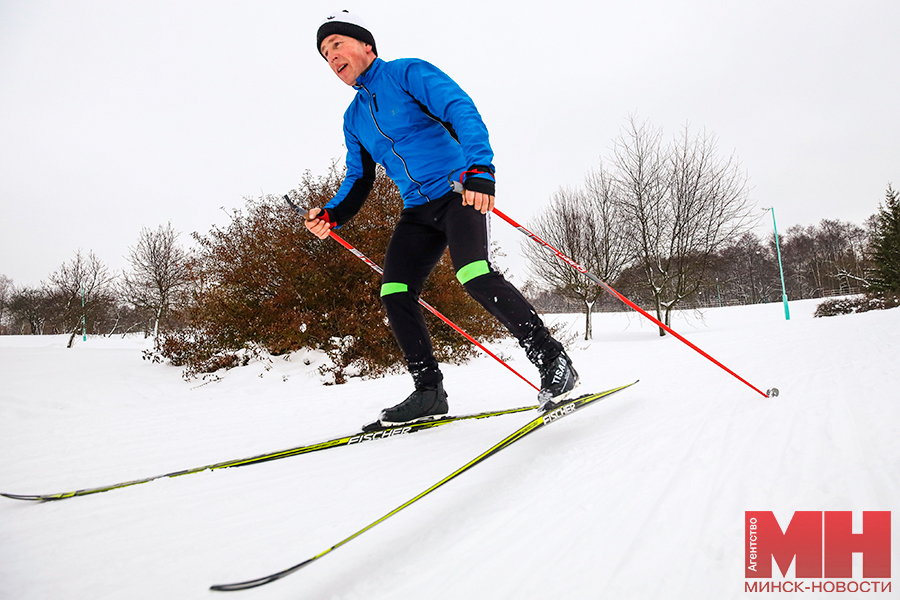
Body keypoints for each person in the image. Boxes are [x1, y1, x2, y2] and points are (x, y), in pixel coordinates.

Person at [307, 10, 578, 427]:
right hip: (417, 210)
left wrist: (480, 170)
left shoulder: (406, 73)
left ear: (366, 46)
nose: (332, 58)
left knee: (473, 273)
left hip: (457, 190)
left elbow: (460, 109)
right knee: (395, 291)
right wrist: (332, 214)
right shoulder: (354, 118)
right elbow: (358, 178)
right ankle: (429, 390)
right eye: (325, 55)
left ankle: (552, 358)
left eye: (337, 45)